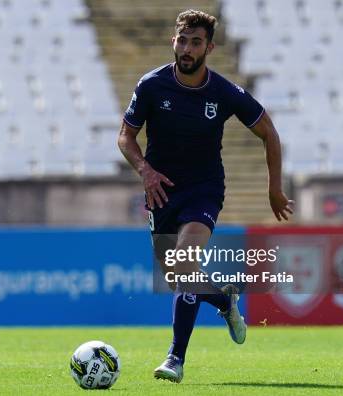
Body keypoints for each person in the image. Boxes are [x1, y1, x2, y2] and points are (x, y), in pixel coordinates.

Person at [117, 9, 294, 383]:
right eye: (182, 40)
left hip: (203, 191)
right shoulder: (151, 85)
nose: (187, 48)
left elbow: (269, 133)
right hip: (162, 192)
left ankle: (175, 359)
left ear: (209, 48)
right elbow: (125, 136)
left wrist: (274, 188)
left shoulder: (225, 92)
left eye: (195, 42)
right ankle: (224, 299)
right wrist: (144, 170)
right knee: (178, 274)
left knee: (183, 265)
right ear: (173, 42)